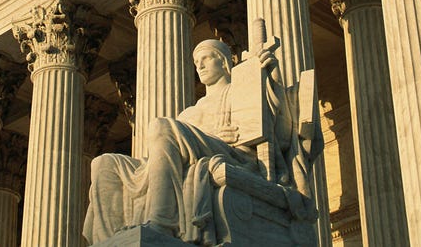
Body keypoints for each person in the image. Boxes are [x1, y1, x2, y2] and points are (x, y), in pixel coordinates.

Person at [84, 37, 297, 244]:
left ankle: (162, 221)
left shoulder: (239, 92)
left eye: (206, 58)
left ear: (224, 61)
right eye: (196, 62)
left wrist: (269, 80)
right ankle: (111, 240)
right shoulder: (189, 113)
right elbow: (164, 157)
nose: (200, 66)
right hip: (193, 155)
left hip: (234, 156)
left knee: (161, 126)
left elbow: (281, 133)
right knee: (104, 163)